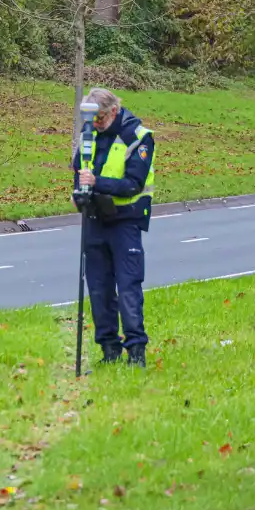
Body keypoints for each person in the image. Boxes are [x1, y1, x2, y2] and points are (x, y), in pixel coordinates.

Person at [72, 87, 156, 369]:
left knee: (128, 286)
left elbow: (133, 183)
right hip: (95, 219)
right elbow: (78, 170)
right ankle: (109, 350)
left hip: (125, 222)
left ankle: (136, 352)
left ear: (114, 111)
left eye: (100, 119)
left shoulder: (139, 138)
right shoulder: (89, 134)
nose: (95, 125)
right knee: (99, 288)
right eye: (92, 120)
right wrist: (79, 192)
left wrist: (98, 183)